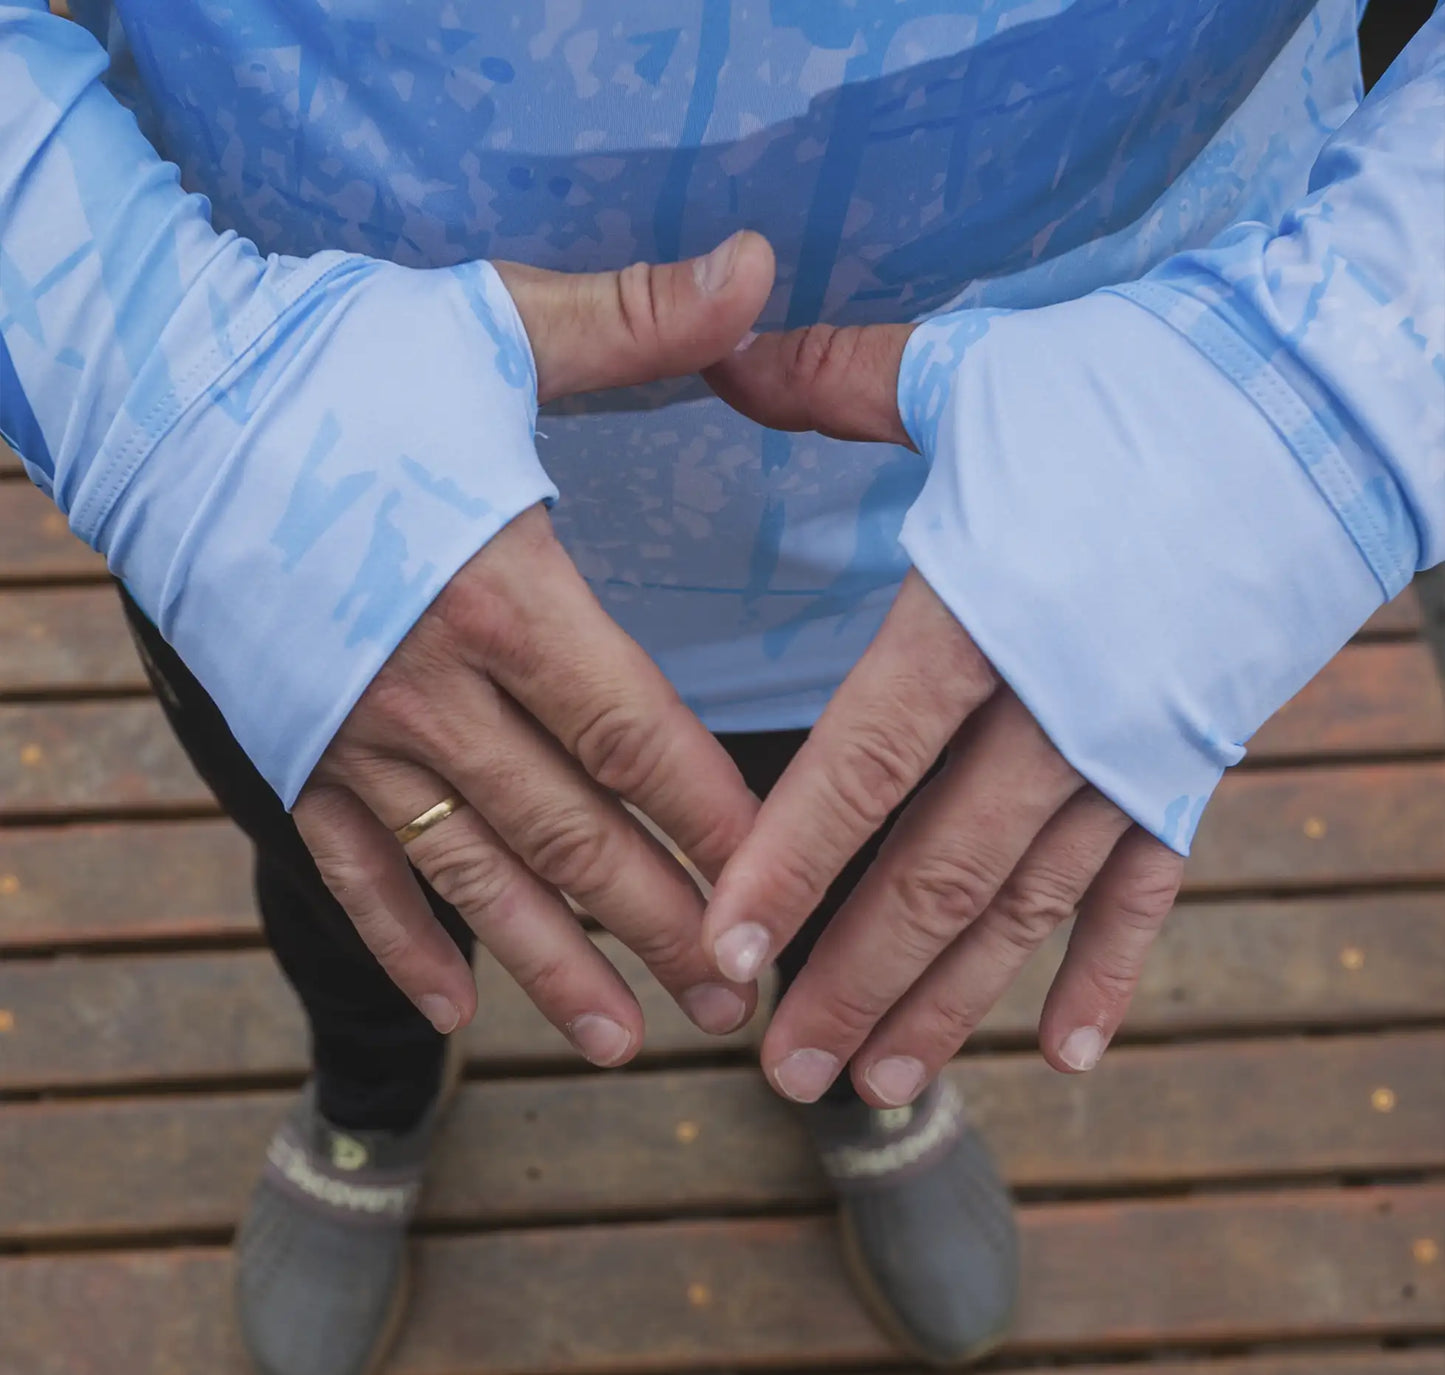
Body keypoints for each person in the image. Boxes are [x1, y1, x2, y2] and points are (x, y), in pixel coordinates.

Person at [2, 2, 1440, 1372]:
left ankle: (857, 1072)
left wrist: (1340, 379)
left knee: (889, 872)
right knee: (351, 889)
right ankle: (371, 1094)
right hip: (280, 451)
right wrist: (155, 371)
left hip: (1047, 487)